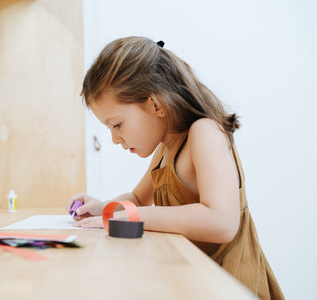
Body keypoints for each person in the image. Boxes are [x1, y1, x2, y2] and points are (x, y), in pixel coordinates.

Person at [66, 36, 284, 300]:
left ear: (156, 105)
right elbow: (137, 199)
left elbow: (222, 221)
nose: (114, 139)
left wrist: (133, 217)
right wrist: (104, 208)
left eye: (117, 125)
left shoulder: (205, 132)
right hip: (194, 282)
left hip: (232, 287)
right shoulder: (165, 150)